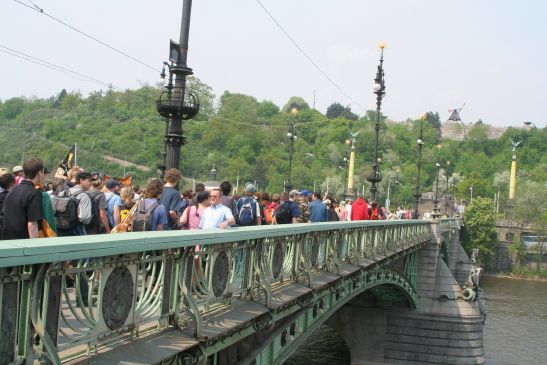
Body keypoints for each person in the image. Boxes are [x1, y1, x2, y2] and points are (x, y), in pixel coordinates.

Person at [1, 158, 45, 240]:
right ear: (39, 172)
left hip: (7, 240)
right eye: (43, 172)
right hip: (23, 241)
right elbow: (32, 223)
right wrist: (34, 245)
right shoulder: (34, 193)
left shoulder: (12, 191)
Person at [56, 171, 93, 236]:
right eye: (89, 180)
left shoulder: (63, 193)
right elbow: (85, 218)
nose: (91, 183)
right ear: (81, 180)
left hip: (60, 230)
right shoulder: (83, 196)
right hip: (77, 231)